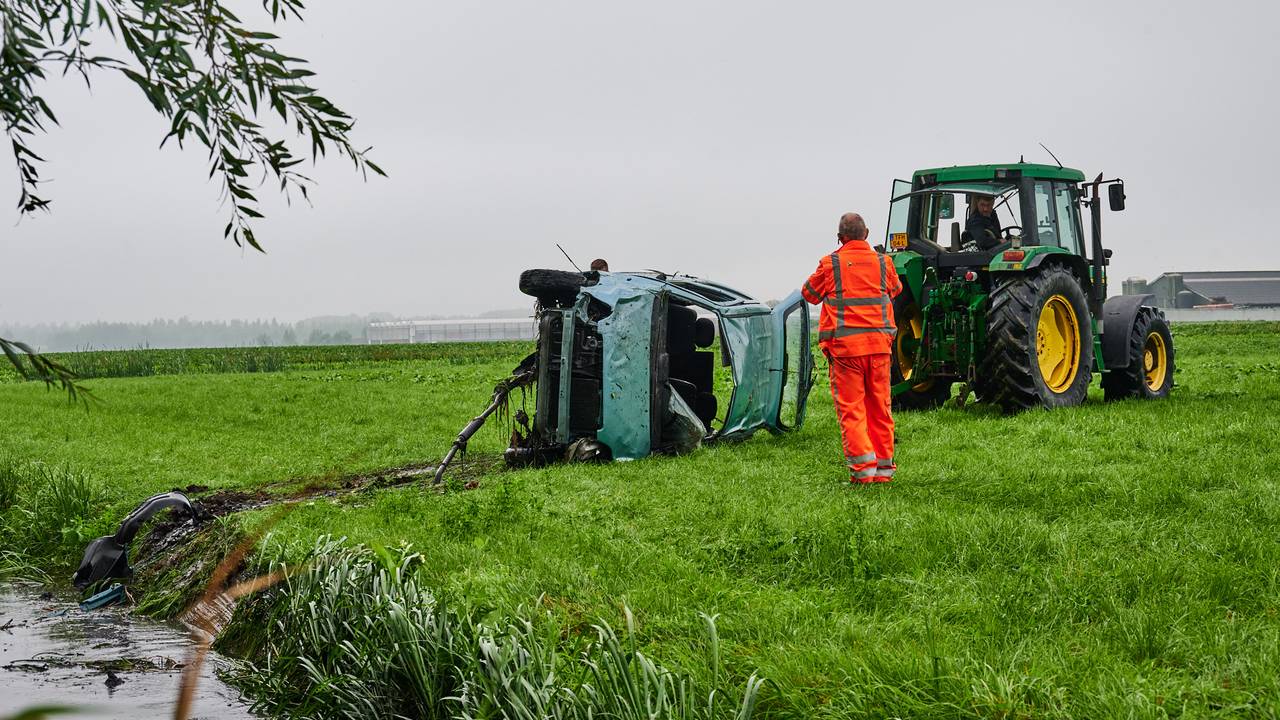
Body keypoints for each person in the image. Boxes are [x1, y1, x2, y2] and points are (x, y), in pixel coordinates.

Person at [801, 213, 902, 484]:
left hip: (846, 352)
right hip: (880, 348)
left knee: (853, 410)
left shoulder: (830, 264)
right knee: (880, 407)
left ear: (840, 236)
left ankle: (863, 472)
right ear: (866, 233)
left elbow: (809, 294)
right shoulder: (884, 263)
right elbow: (896, 289)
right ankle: (883, 471)